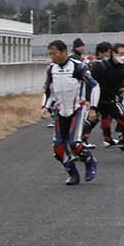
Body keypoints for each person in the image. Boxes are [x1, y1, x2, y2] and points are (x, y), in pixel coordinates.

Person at [41, 39, 100, 186]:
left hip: (77, 109)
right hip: (60, 110)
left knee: (74, 143)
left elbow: (94, 86)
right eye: (50, 54)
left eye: (54, 53)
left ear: (63, 52)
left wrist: (93, 107)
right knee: (58, 147)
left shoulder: (78, 67)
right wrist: (45, 106)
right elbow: (48, 90)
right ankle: (72, 173)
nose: (52, 56)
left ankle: (89, 160)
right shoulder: (51, 69)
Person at [84, 42, 124, 159]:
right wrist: (89, 103)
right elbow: (89, 85)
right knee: (89, 122)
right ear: (113, 53)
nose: (123, 57)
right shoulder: (99, 66)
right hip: (95, 100)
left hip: (111, 100)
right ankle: (79, 146)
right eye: (120, 54)